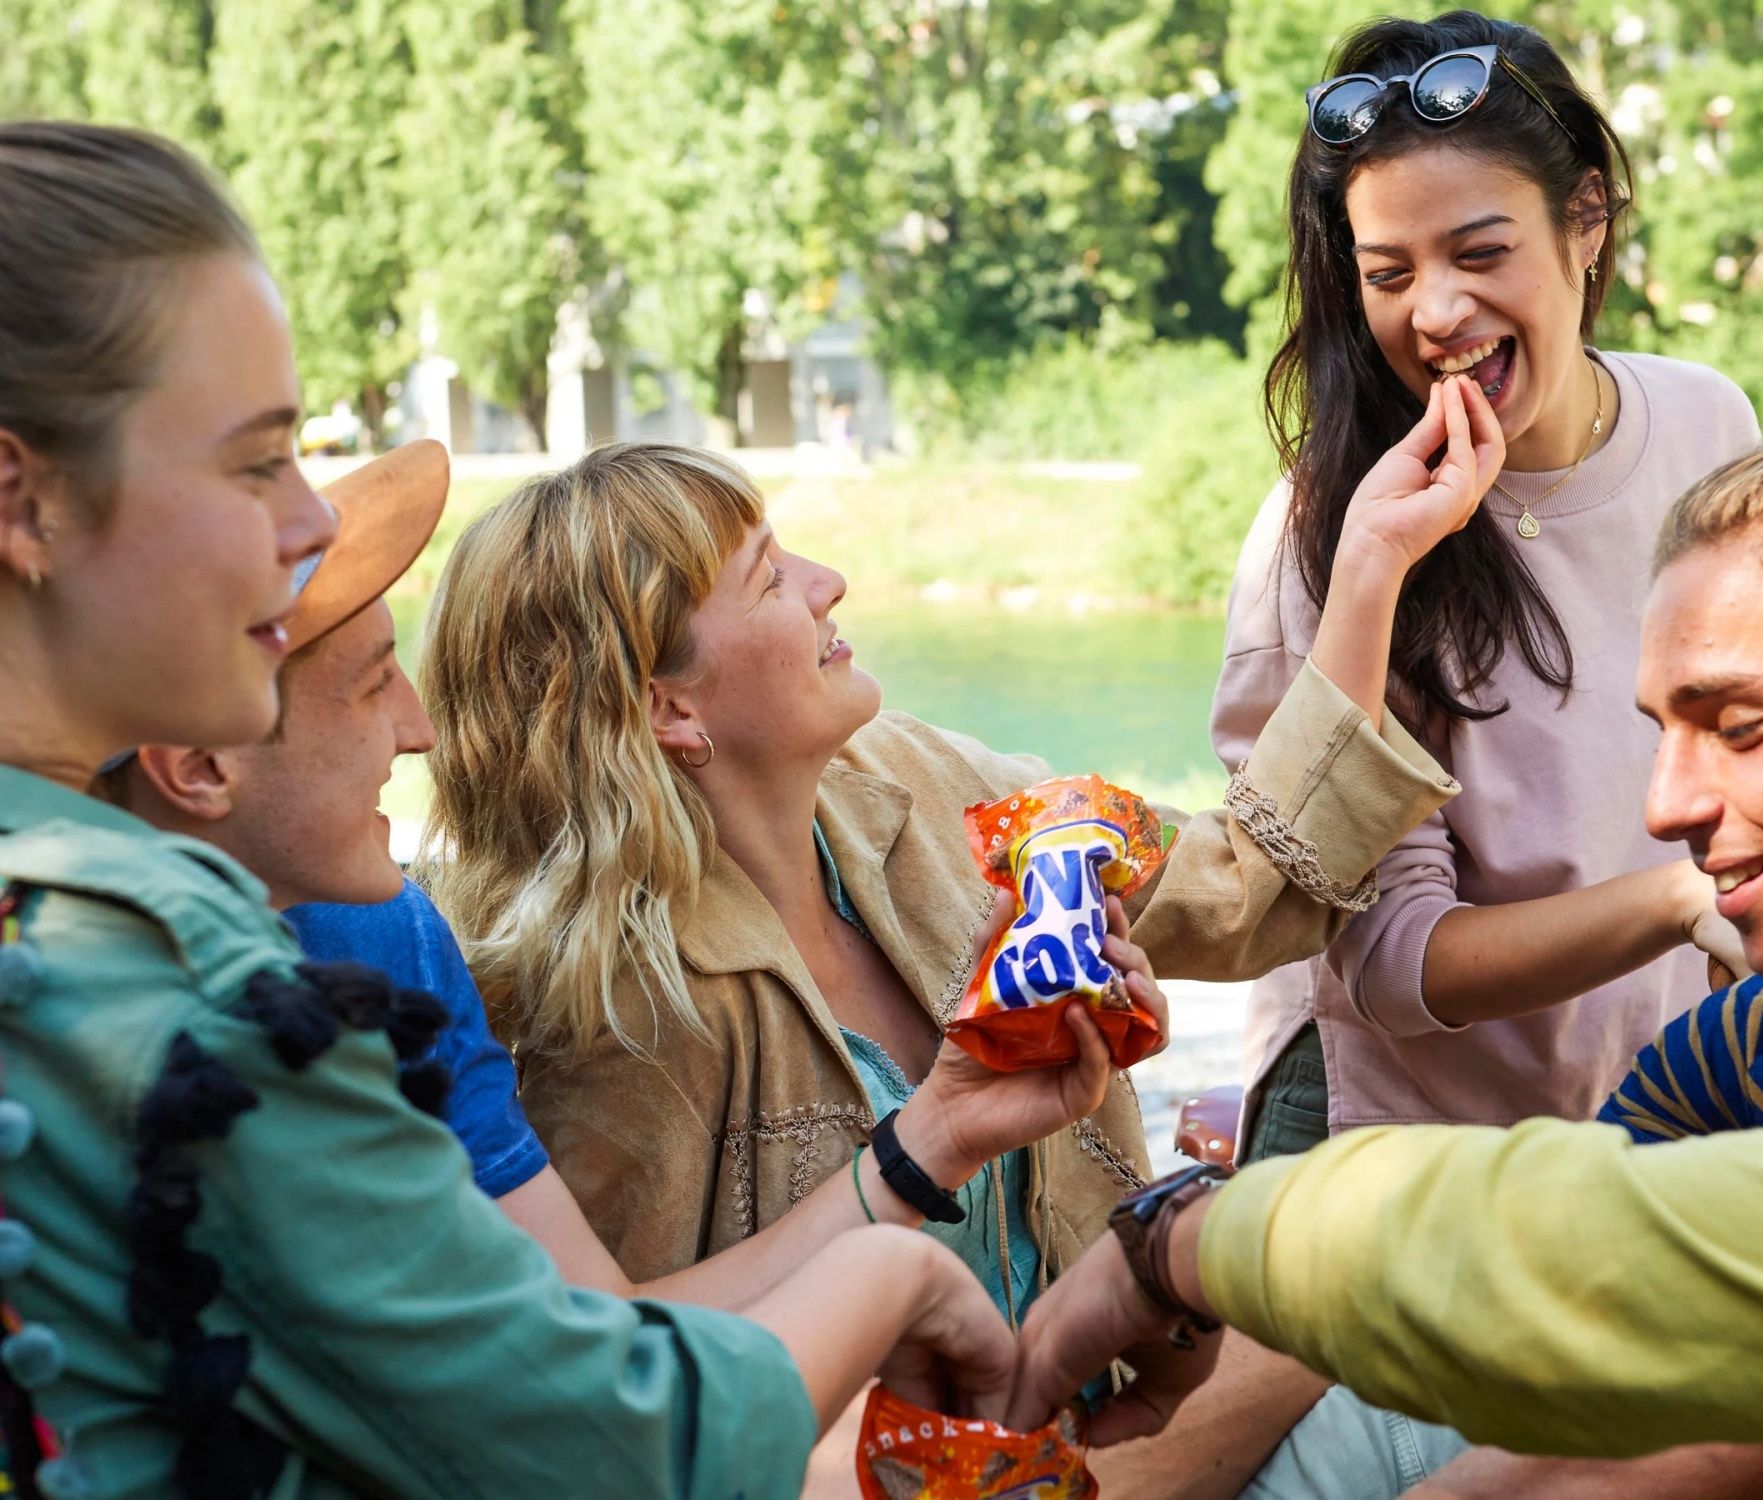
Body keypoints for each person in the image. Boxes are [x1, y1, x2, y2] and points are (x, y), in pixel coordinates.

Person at [0, 119, 1011, 1500]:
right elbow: (605, 1445)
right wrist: (895, 1277)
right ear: (24, 502)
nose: (307, 530)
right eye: (253, 465)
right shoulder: (191, 990)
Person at [418, 379, 1494, 1494]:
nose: (828, 584)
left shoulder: (914, 781)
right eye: (771, 578)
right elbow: (608, 1386)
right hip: (901, 1476)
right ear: (668, 711)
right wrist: (928, 1138)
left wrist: (1369, 567)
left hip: (1106, 1421)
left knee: (1418, 1311)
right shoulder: (601, 1005)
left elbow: (1242, 886)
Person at [1002, 417, 1763, 1467]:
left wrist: (1176, 1247)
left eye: (1739, 727)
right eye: (1662, 732)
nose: (1664, 807)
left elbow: (1585, 1273)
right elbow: (1585, 1324)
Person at [1212, 9, 1756, 1166]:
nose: (1435, 314)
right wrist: (1673, 901)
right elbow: (1396, 963)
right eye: (1387, 274)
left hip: (1658, 1110)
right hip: (1405, 1142)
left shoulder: (1709, 422)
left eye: (1478, 252)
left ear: (1586, 220)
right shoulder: (1330, 533)